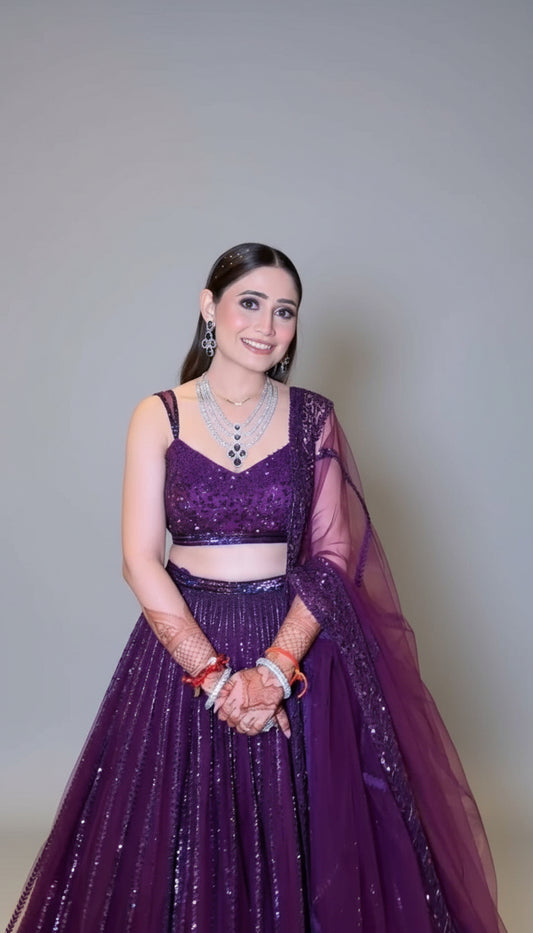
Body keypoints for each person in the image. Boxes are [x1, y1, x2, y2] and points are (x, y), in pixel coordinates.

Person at [7, 243, 506, 933]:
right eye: (250, 303)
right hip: (185, 648)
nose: (267, 326)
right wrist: (215, 680)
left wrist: (273, 671)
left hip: (295, 645)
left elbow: (334, 552)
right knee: (179, 847)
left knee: (306, 835)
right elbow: (139, 559)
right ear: (209, 307)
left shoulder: (314, 417)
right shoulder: (158, 415)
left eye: (285, 311)